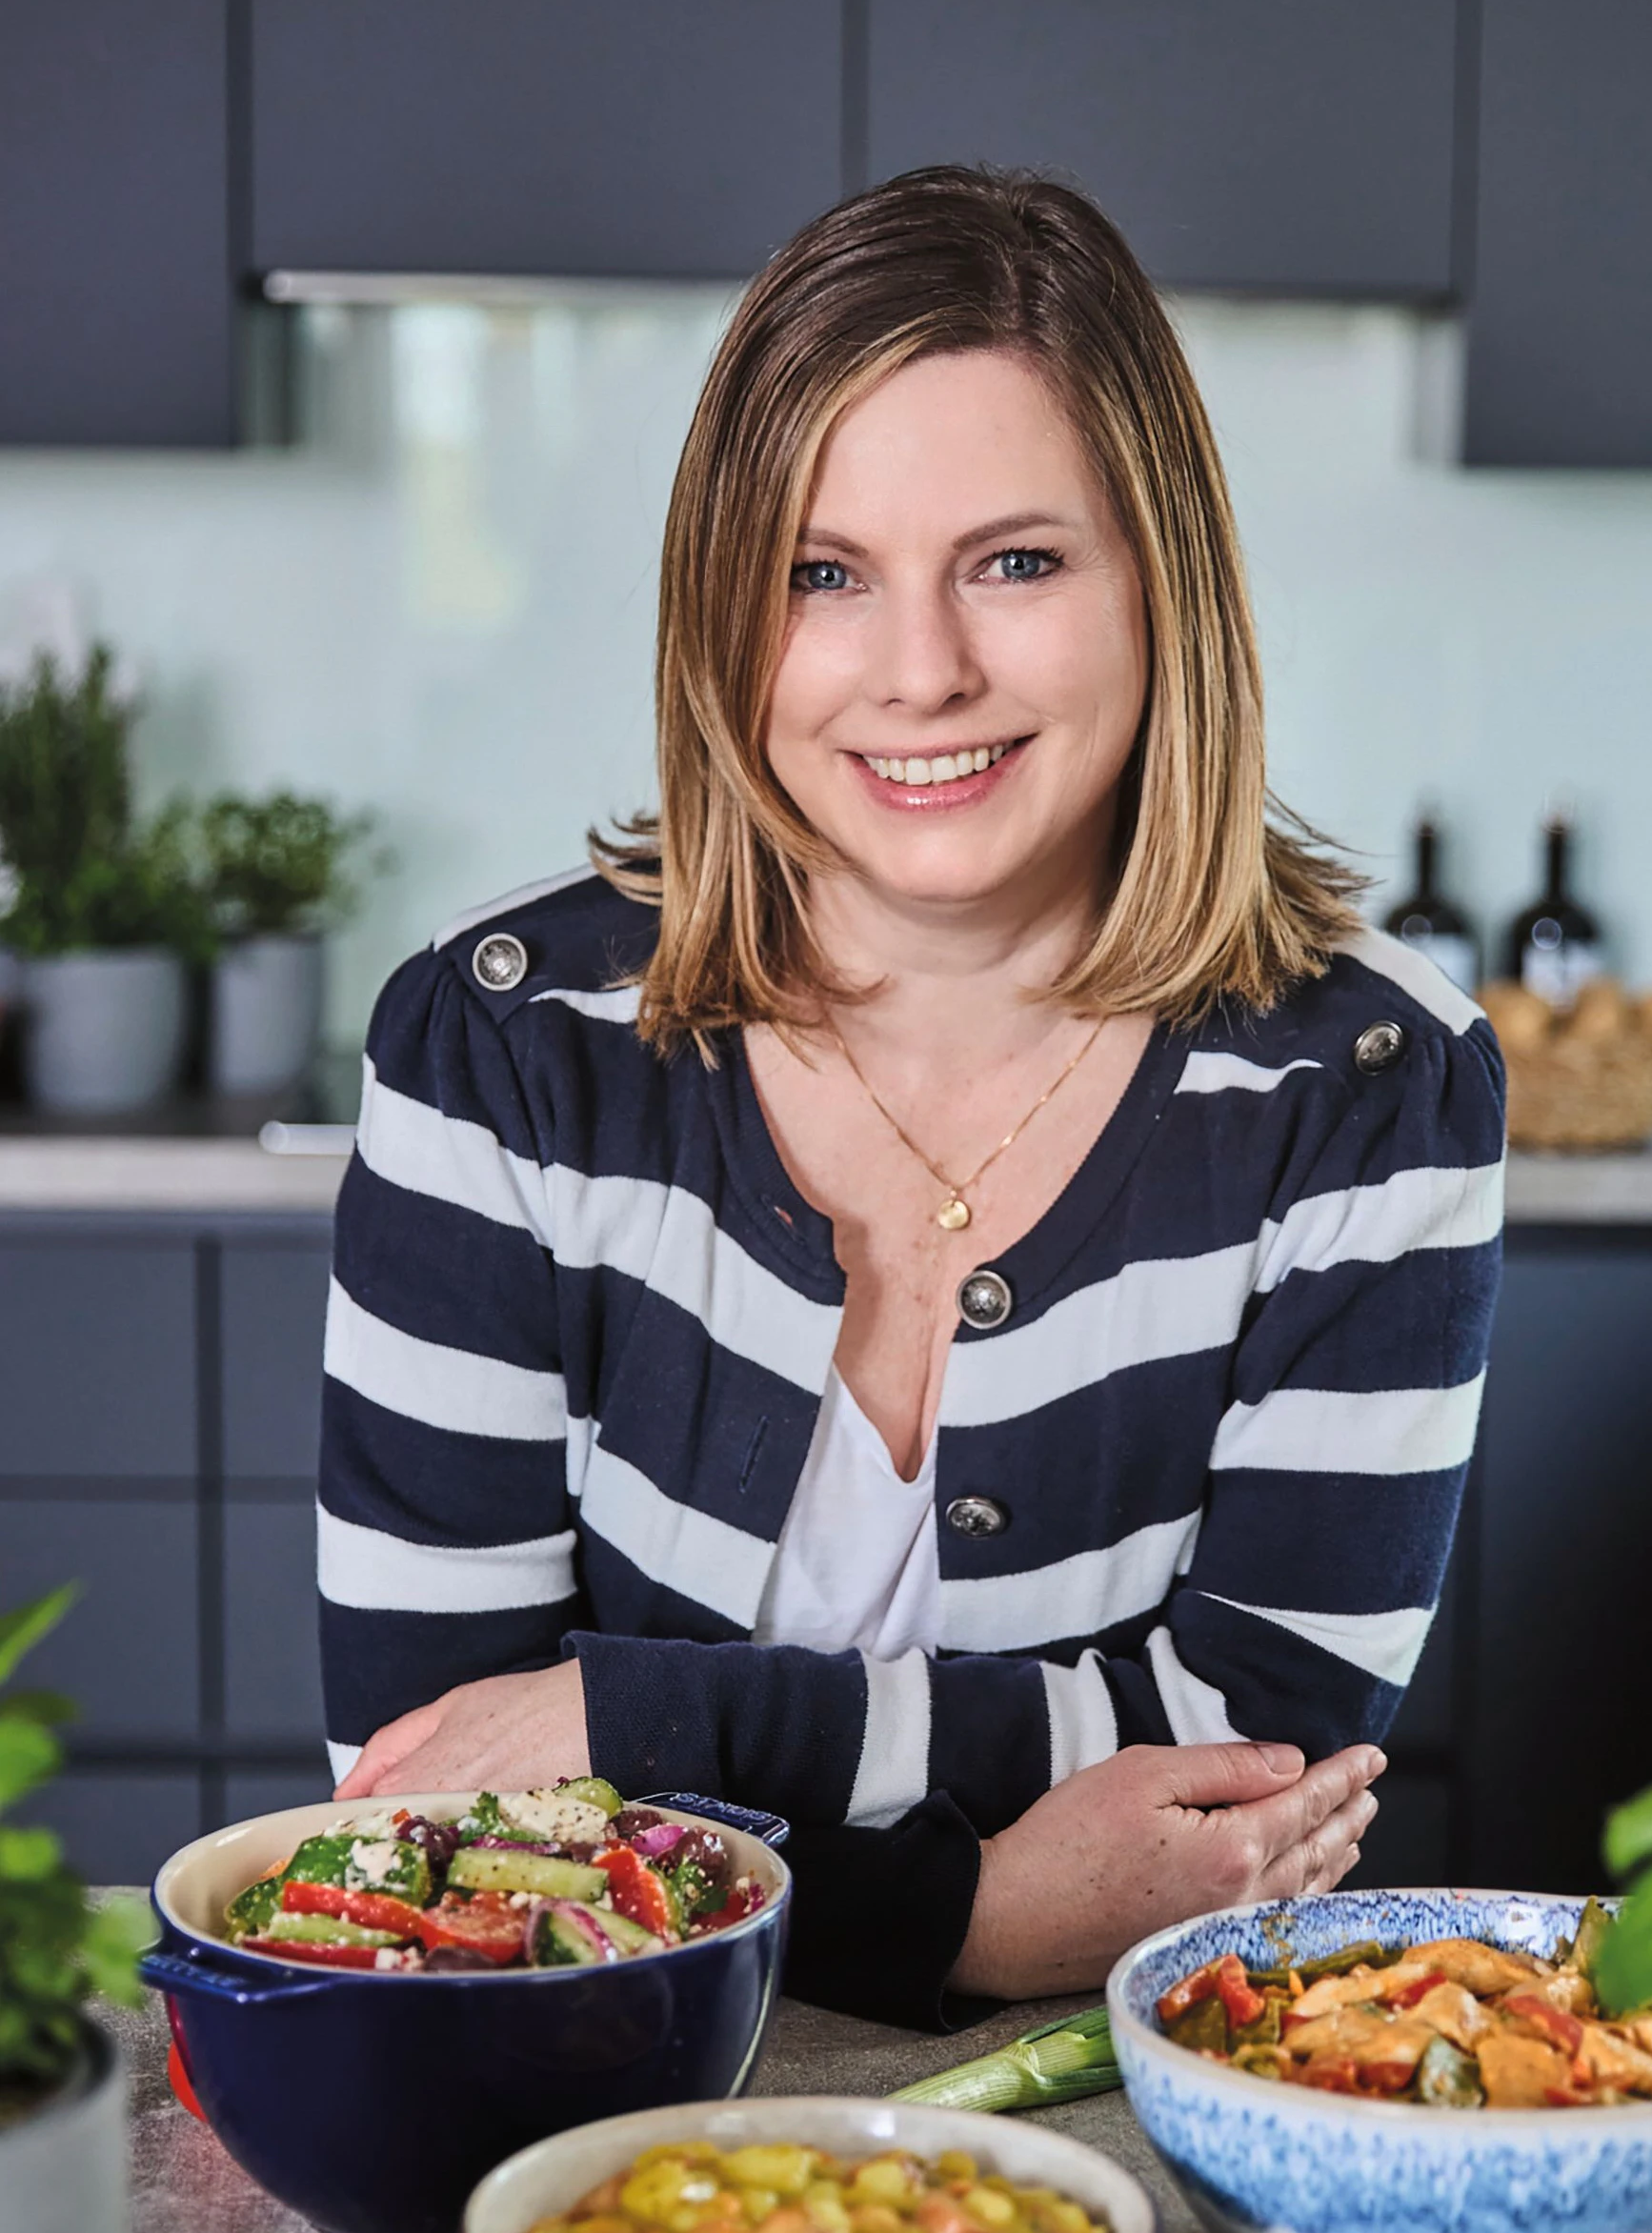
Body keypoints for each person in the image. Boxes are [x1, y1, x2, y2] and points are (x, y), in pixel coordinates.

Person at [319, 167, 1505, 2026]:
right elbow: (434, 1811)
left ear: (1154, 585)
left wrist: (626, 1718)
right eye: (821, 574)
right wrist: (966, 1918)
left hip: (1134, 2124)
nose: (922, 670)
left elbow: (1237, 1767)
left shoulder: (1364, 1080)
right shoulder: (505, 1051)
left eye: (1015, 562)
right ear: (725, 611)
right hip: (580, 2099)